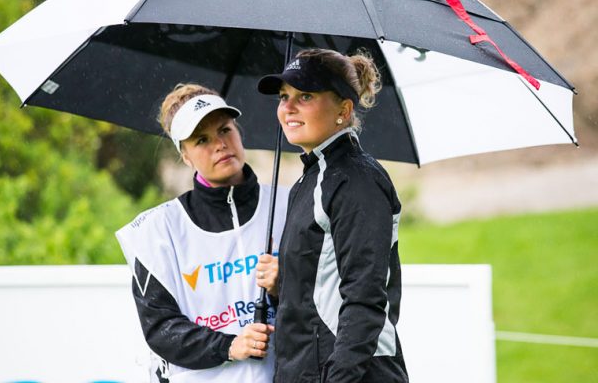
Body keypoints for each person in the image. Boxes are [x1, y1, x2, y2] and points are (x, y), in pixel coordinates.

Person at [115, 83, 287, 383]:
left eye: (225, 130)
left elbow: (321, 305)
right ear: (186, 156)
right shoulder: (157, 231)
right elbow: (161, 328)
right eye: (201, 140)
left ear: (238, 132)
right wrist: (230, 346)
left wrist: (282, 287)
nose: (219, 144)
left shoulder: (289, 204)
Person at [258, 49, 409, 382]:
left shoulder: (357, 180)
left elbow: (365, 298)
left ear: (344, 109)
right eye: (284, 97)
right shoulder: (310, 179)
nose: (288, 108)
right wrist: (283, 283)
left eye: (305, 95)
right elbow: (326, 284)